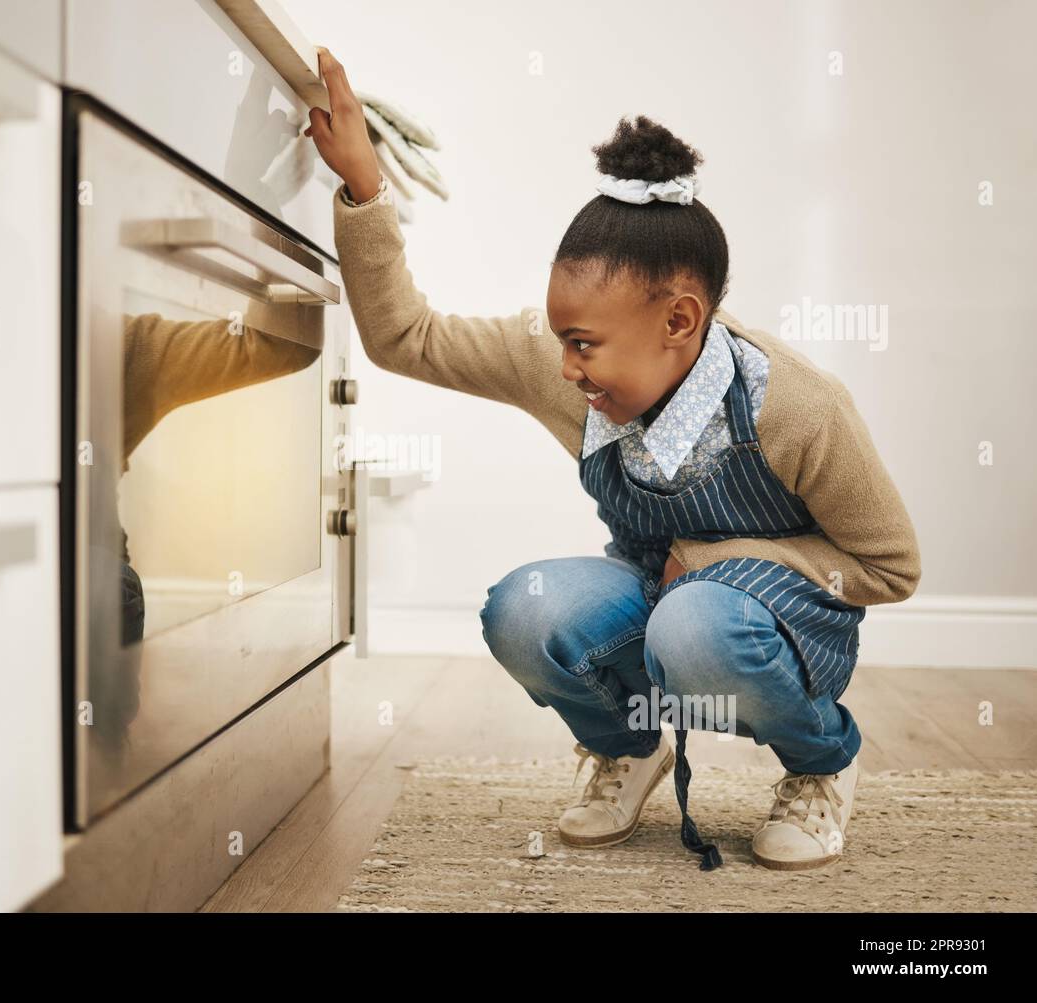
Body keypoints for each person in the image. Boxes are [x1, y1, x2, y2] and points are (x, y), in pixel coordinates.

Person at [304, 48, 921, 872]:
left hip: (783, 626)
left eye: (584, 344)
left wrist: (714, 562)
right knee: (523, 608)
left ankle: (819, 761)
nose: (564, 367)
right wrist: (364, 191)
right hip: (657, 595)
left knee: (695, 621)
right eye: (562, 339)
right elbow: (403, 339)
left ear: (680, 321)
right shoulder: (562, 367)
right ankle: (629, 748)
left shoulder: (800, 406)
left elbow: (890, 566)